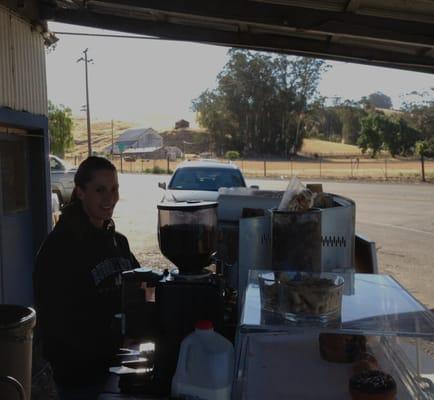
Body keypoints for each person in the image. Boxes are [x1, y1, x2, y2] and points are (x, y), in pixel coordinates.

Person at [34, 156, 140, 399]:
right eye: (100, 190)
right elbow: (58, 324)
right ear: (80, 192)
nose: (110, 198)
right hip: (80, 378)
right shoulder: (59, 248)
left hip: (119, 364)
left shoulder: (117, 240)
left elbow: (140, 284)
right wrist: (115, 340)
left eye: (114, 189)